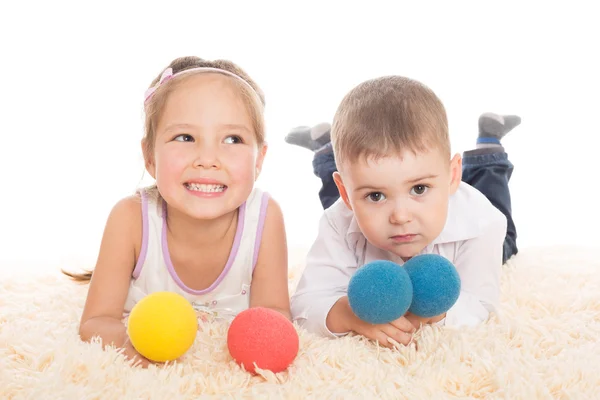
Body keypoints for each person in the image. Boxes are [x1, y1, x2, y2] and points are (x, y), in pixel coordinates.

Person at [63, 56, 290, 367]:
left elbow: (275, 314)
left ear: (259, 159)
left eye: (232, 139)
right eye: (185, 137)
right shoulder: (130, 219)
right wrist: (135, 350)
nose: (208, 158)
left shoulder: (265, 218)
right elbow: (96, 322)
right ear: (150, 156)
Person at [286, 75, 520, 348]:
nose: (400, 216)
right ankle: (325, 148)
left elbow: (481, 306)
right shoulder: (338, 220)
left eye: (419, 189)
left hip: (475, 208)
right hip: (363, 197)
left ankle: (489, 143)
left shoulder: (483, 221)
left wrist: (436, 313)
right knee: (354, 195)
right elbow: (306, 303)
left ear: (452, 175)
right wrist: (348, 314)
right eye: (376, 195)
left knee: (508, 242)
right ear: (346, 194)